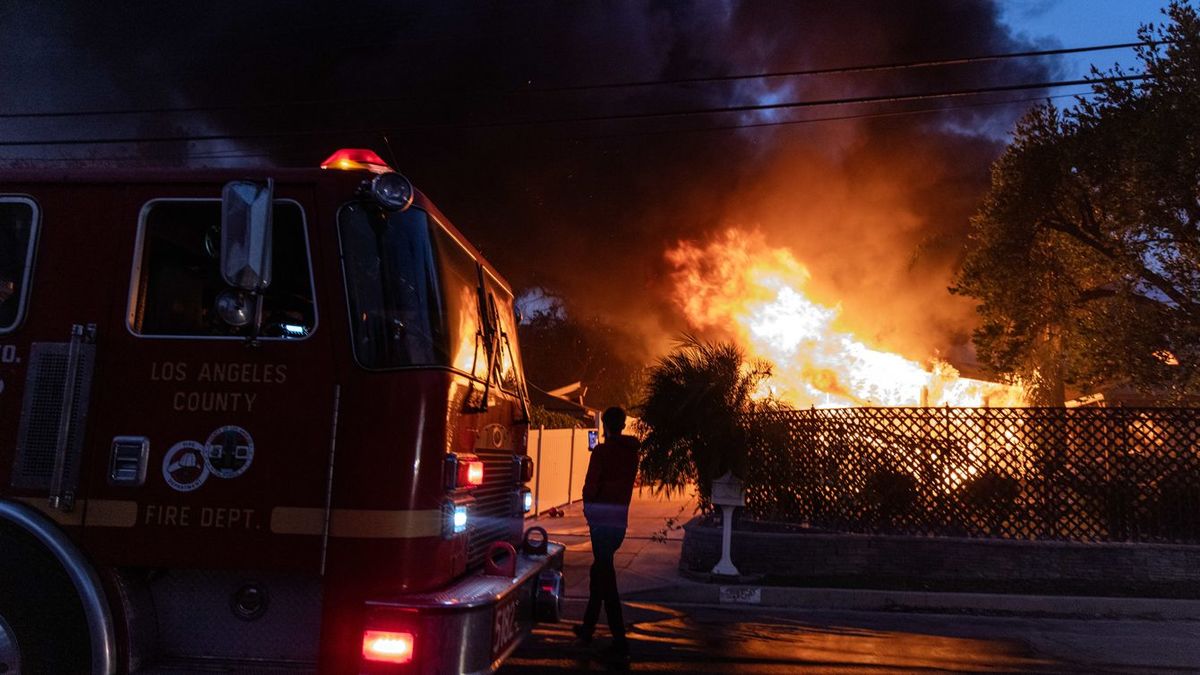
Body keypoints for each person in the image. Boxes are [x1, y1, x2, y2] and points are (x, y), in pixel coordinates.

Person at [574, 406, 640, 664]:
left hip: (600, 524)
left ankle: (619, 641)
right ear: (623, 425)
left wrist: (589, 509)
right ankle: (587, 630)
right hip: (618, 525)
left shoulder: (602, 452)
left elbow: (591, 485)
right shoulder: (631, 454)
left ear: (606, 426)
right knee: (598, 573)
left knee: (606, 581)